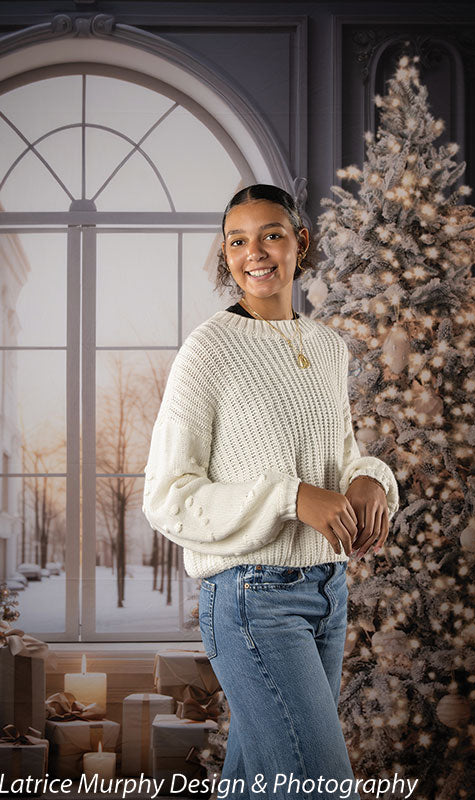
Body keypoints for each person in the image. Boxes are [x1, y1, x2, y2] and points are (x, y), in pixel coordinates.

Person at [142, 184, 400, 799]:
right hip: (251, 600)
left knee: (262, 780)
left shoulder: (326, 347)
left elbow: (340, 458)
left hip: (327, 591)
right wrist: (288, 497)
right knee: (319, 786)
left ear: (300, 243)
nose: (254, 252)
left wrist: (369, 478)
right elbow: (167, 496)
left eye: (271, 235)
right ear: (226, 254)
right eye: (238, 240)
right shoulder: (208, 351)